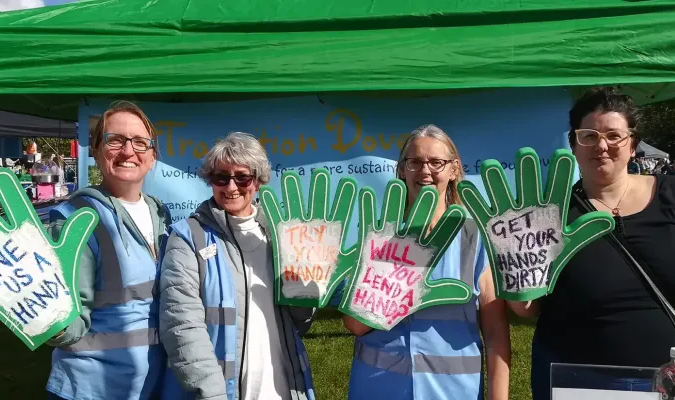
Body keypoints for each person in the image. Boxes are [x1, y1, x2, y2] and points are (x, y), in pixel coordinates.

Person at [509, 88, 675, 399]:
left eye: (614, 136)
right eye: (589, 136)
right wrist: (515, 273)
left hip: (667, 383)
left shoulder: (670, 195)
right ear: (573, 144)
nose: (602, 146)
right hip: (580, 383)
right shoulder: (549, 213)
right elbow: (527, 309)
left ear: (633, 145)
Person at [342, 124, 511, 400]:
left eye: (436, 162)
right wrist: (389, 288)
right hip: (378, 388)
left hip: (455, 392)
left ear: (454, 169)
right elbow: (355, 325)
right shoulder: (378, 234)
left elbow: (495, 332)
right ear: (401, 169)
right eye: (415, 162)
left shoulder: (476, 237)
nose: (425, 171)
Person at [159, 132, 316, 400]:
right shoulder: (187, 237)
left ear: (258, 180)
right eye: (221, 177)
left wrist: (306, 294)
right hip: (221, 392)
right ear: (210, 180)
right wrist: (211, 394)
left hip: (285, 387)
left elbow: (300, 321)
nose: (231, 187)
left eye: (242, 177)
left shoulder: (281, 234)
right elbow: (182, 326)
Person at [45, 101, 171, 400]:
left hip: (150, 385)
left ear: (152, 156)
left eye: (140, 142)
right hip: (90, 388)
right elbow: (67, 320)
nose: (128, 151)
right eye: (115, 140)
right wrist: (54, 324)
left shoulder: (160, 215)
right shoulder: (76, 219)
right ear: (96, 150)